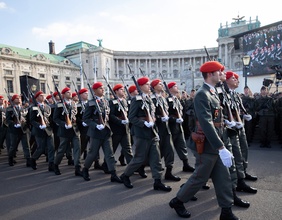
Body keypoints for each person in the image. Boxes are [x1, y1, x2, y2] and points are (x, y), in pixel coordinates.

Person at [169, 61, 239, 220]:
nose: (223, 74)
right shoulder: (202, 94)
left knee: (223, 178)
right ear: (210, 74)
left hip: (216, 142)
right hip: (207, 144)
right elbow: (206, 123)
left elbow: (215, 118)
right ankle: (178, 201)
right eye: (219, 72)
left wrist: (225, 124)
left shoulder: (213, 92)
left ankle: (226, 210)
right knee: (199, 178)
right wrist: (221, 147)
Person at [120, 77, 171, 192]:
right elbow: (131, 118)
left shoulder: (148, 98)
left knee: (156, 158)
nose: (149, 86)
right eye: (147, 84)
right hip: (141, 133)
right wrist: (143, 123)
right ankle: (125, 175)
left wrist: (155, 129)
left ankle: (157, 181)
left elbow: (152, 115)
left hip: (152, 132)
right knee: (139, 158)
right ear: (141, 86)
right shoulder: (136, 100)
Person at [81, 82, 122, 183]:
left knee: (110, 154)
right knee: (92, 153)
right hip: (95, 133)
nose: (103, 90)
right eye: (100, 88)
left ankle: (113, 174)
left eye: (103, 88)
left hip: (106, 131)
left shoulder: (106, 101)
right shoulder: (91, 103)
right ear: (94, 91)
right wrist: (95, 125)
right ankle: (85, 169)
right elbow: (86, 119)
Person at [150, 79, 181, 181]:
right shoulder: (152, 100)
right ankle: (140, 167)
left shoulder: (163, 99)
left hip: (166, 129)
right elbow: (151, 115)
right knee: (155, 153)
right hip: (157, 129)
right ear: (154, 87)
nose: (162, 85)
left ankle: (168, 172)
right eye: (159, 84)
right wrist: (159, 118)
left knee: (169, 151)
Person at [53, 87, 82, 176]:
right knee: (61, 150)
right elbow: (55, 118)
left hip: (74, 130)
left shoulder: (73, 103)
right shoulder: (59, 105)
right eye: (68, 92)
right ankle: (56, 165)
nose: (70, 93)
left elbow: (74, 116)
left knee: (77, 149)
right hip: (64, 131)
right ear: (64, 94)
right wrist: (64, 124)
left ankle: (78, 167)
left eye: (70, 92)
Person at [167, 82, 195, 172]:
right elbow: (166, 115)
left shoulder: (176, 99)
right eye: (175, 86)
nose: (177, 87)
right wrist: (174, 119)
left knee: (182, 146)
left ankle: (186, 164)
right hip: (170, 128)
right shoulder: (168, 100)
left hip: (179, 127)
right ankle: (168, 170)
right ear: (170, 89)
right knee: (168, 150)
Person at [29, 91, 55, 171]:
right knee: (41, 148)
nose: (43, 97)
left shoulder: (47, 107)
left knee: (51, 147)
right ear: (36, 98)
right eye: (40, 96)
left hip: (48, 129)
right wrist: (39, 126)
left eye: (43, 95)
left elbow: (50, 118)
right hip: (39, 131)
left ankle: (51, 164)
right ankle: (33, 159)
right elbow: (32, 120)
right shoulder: (33, 107)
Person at [109, 84, 133, 166]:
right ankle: (106, 165)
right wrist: (120, 121)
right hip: (116, 129)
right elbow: (111, 115)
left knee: (128, 149)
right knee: (113, 148)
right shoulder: (112, 102)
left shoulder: (124, 101)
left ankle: (132, 166)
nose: (123, 91)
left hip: (125, 129)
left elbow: (128, 112)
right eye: (121, 89)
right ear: (116, 91)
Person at [6, 94, 31, 167]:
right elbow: (8, 120)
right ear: (13, 100)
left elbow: (27, 118)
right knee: (13, 146)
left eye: (19, 98)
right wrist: (14, 124)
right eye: (17, 98)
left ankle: (28, 160)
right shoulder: (9, 109)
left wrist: (28, 126)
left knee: (26, 146)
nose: (19, 99)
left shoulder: (23, 108)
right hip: (14, 130)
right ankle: (10, 158)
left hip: (24, 129)